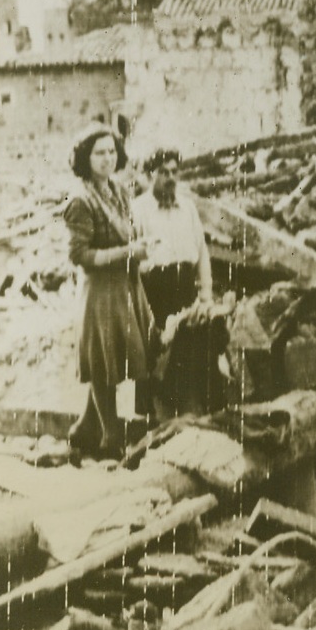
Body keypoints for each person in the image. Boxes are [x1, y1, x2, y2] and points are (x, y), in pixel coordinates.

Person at [63, 122, 155, 459]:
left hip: (123, 286)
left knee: (114, 356)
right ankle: (111, 438)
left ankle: (86, 427)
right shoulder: (80, 200)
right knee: (104, 362)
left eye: (111, 152)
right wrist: (128, 253)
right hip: (100, 292)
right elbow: (79, 256)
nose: (106, 158)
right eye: (98, 152)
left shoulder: (118, 190)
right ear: (85, 159)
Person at [132, 148, 212, 330]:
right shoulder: (137, 210)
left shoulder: (188, 207)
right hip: (154, 294)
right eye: (163, 172)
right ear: (149, 174)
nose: (170, 177)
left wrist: (206, 294)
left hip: (186, 290)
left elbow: (201, 251)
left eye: (174, 172)